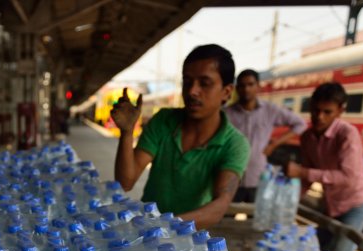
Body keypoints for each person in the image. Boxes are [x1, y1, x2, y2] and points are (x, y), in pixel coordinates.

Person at [112, 44, 250, 230]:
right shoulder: (163, 121)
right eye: (187, 81)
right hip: (148, 231)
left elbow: (220, 206)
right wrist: (127, 133)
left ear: (226, 92)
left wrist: (166, 226)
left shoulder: (235, 144)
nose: (192, 91)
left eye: (204, 83)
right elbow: (125, 183)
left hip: (189, 241)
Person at [286, 82, 363, 251]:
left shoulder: (347, 134)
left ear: (341, 110)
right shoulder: (308, 137)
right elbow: (307, 177)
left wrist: (302, 172)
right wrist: (290, 202)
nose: (320, 117)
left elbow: (349, 176)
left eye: (328, 112)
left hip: (356, 204)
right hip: (330, 204)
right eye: (316, 110)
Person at [224, 69, 307, 202]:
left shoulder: (270, 110)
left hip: (258, 177)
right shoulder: (226, 114)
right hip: (232, 178)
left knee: (256, 218)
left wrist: (274, 144)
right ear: (236, 88)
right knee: (228, 217)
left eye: (251, 84)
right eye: (242, 85)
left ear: (258, 86)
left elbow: (300, 124)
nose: (246, 89)